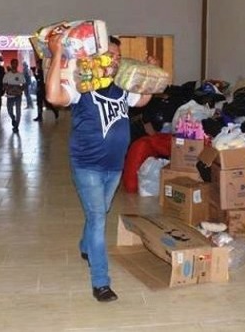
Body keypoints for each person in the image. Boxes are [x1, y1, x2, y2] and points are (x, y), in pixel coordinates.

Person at [46, 35, 153, 302]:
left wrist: (149, 72)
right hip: (87, 165)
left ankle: (85, 246)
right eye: (110, 55)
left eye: (118, 56)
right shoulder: (83, 86)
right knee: (98, 218)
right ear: (94, 57)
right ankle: (101, 282)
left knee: (100, 211)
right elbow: (53, 95)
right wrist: (58, 53)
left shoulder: (122, 87)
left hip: (114, 166)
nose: (115, 60)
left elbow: (142, 101)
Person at [3, 59, 25, 133]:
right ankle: (13, 117)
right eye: (14, 63)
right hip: (10, 96)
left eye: (16, 63)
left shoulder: (20, 75)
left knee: (18, 110)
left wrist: (20, 89)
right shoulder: (7, 75)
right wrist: (8, 89)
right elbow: (4, 84)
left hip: (18, 95)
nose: (15, 65)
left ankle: (16, 126)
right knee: (9, 110)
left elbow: (24, 84)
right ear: (11, 64)